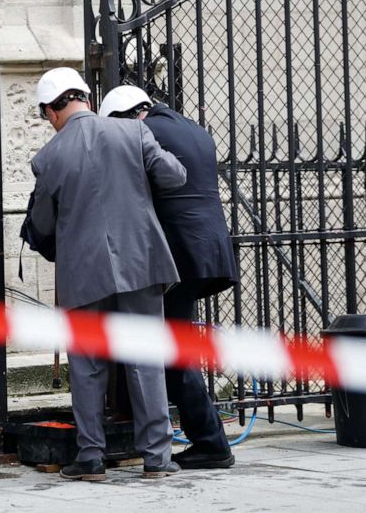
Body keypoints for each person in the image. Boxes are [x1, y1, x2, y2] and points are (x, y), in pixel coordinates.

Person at [29, 67, 187, 481]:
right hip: (141, 262)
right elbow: (173, 176)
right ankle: (157, 458)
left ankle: (91, 457)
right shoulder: (133, 133)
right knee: (145, 360)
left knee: (88, 365)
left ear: (51, 111)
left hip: (84, 273)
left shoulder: (48, 157)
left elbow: (42, 225)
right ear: (86, 98)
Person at [100, 85, 238, 470]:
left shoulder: (147, 133)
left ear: (129, 117)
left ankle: (211, 442)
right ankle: (207, 439)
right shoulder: (190, 127)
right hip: (207, 248)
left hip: (177, 254)